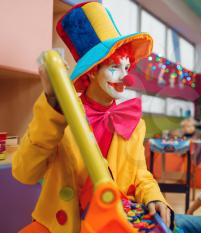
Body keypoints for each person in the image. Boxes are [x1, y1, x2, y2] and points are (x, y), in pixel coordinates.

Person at [12, 2, 172, 233]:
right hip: (62, 223)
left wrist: (154, 196)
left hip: (113, 220)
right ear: (93, 70)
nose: (124, 78)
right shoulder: (60, 114)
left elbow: (140, 175)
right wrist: (53, 106)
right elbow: (24, 172)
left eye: (127, 68)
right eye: (114, 67)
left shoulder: (134, 122)